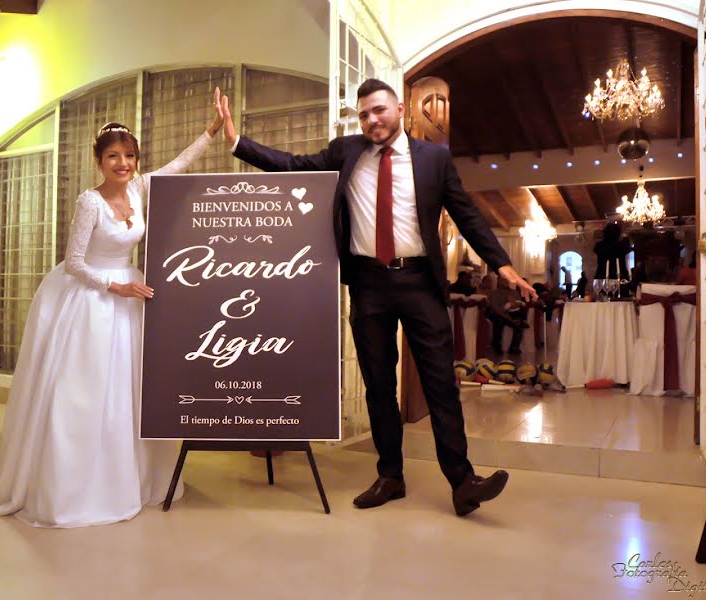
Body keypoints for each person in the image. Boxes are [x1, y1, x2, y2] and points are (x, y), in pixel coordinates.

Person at [220, 78, 537, 517]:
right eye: (364, 114)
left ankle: (463, 482)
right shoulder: (345, 152)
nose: (371, 120)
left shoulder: (434, 158)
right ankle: (390, 476)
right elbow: (293, 164)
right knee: (379, 388)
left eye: (379, 111)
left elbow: (467, 214)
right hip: (369, 284)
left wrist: (502, 265)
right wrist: (237, 141)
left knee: (441, 385)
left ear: (401, 110)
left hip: (421, 284)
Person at [0, 89, 228, 527]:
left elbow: (178, 166)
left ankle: (132, 478)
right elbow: (76, 262)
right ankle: (76, 486)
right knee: (86, 391)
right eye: (115, 156)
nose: (124, 163)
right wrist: (113, 286)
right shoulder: (89, 202)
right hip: (92, 299)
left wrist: (211, 131)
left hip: (130, 296)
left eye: (131, 156)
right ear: (99, 160)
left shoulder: (139, 188)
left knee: (130, 392)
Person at [487, 278, 528, 355]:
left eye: (507, 280)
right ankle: (497, 346)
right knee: (498, 321)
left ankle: (514, 347)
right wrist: (510, 318)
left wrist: (516, 307)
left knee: (519, 324)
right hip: (499, 314)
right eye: (503, 280)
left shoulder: (514, 292)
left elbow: (519, 304)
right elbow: (496, 309)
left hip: (512, 313)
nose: (506, 282)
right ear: (498, 282)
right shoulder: (495, 293)